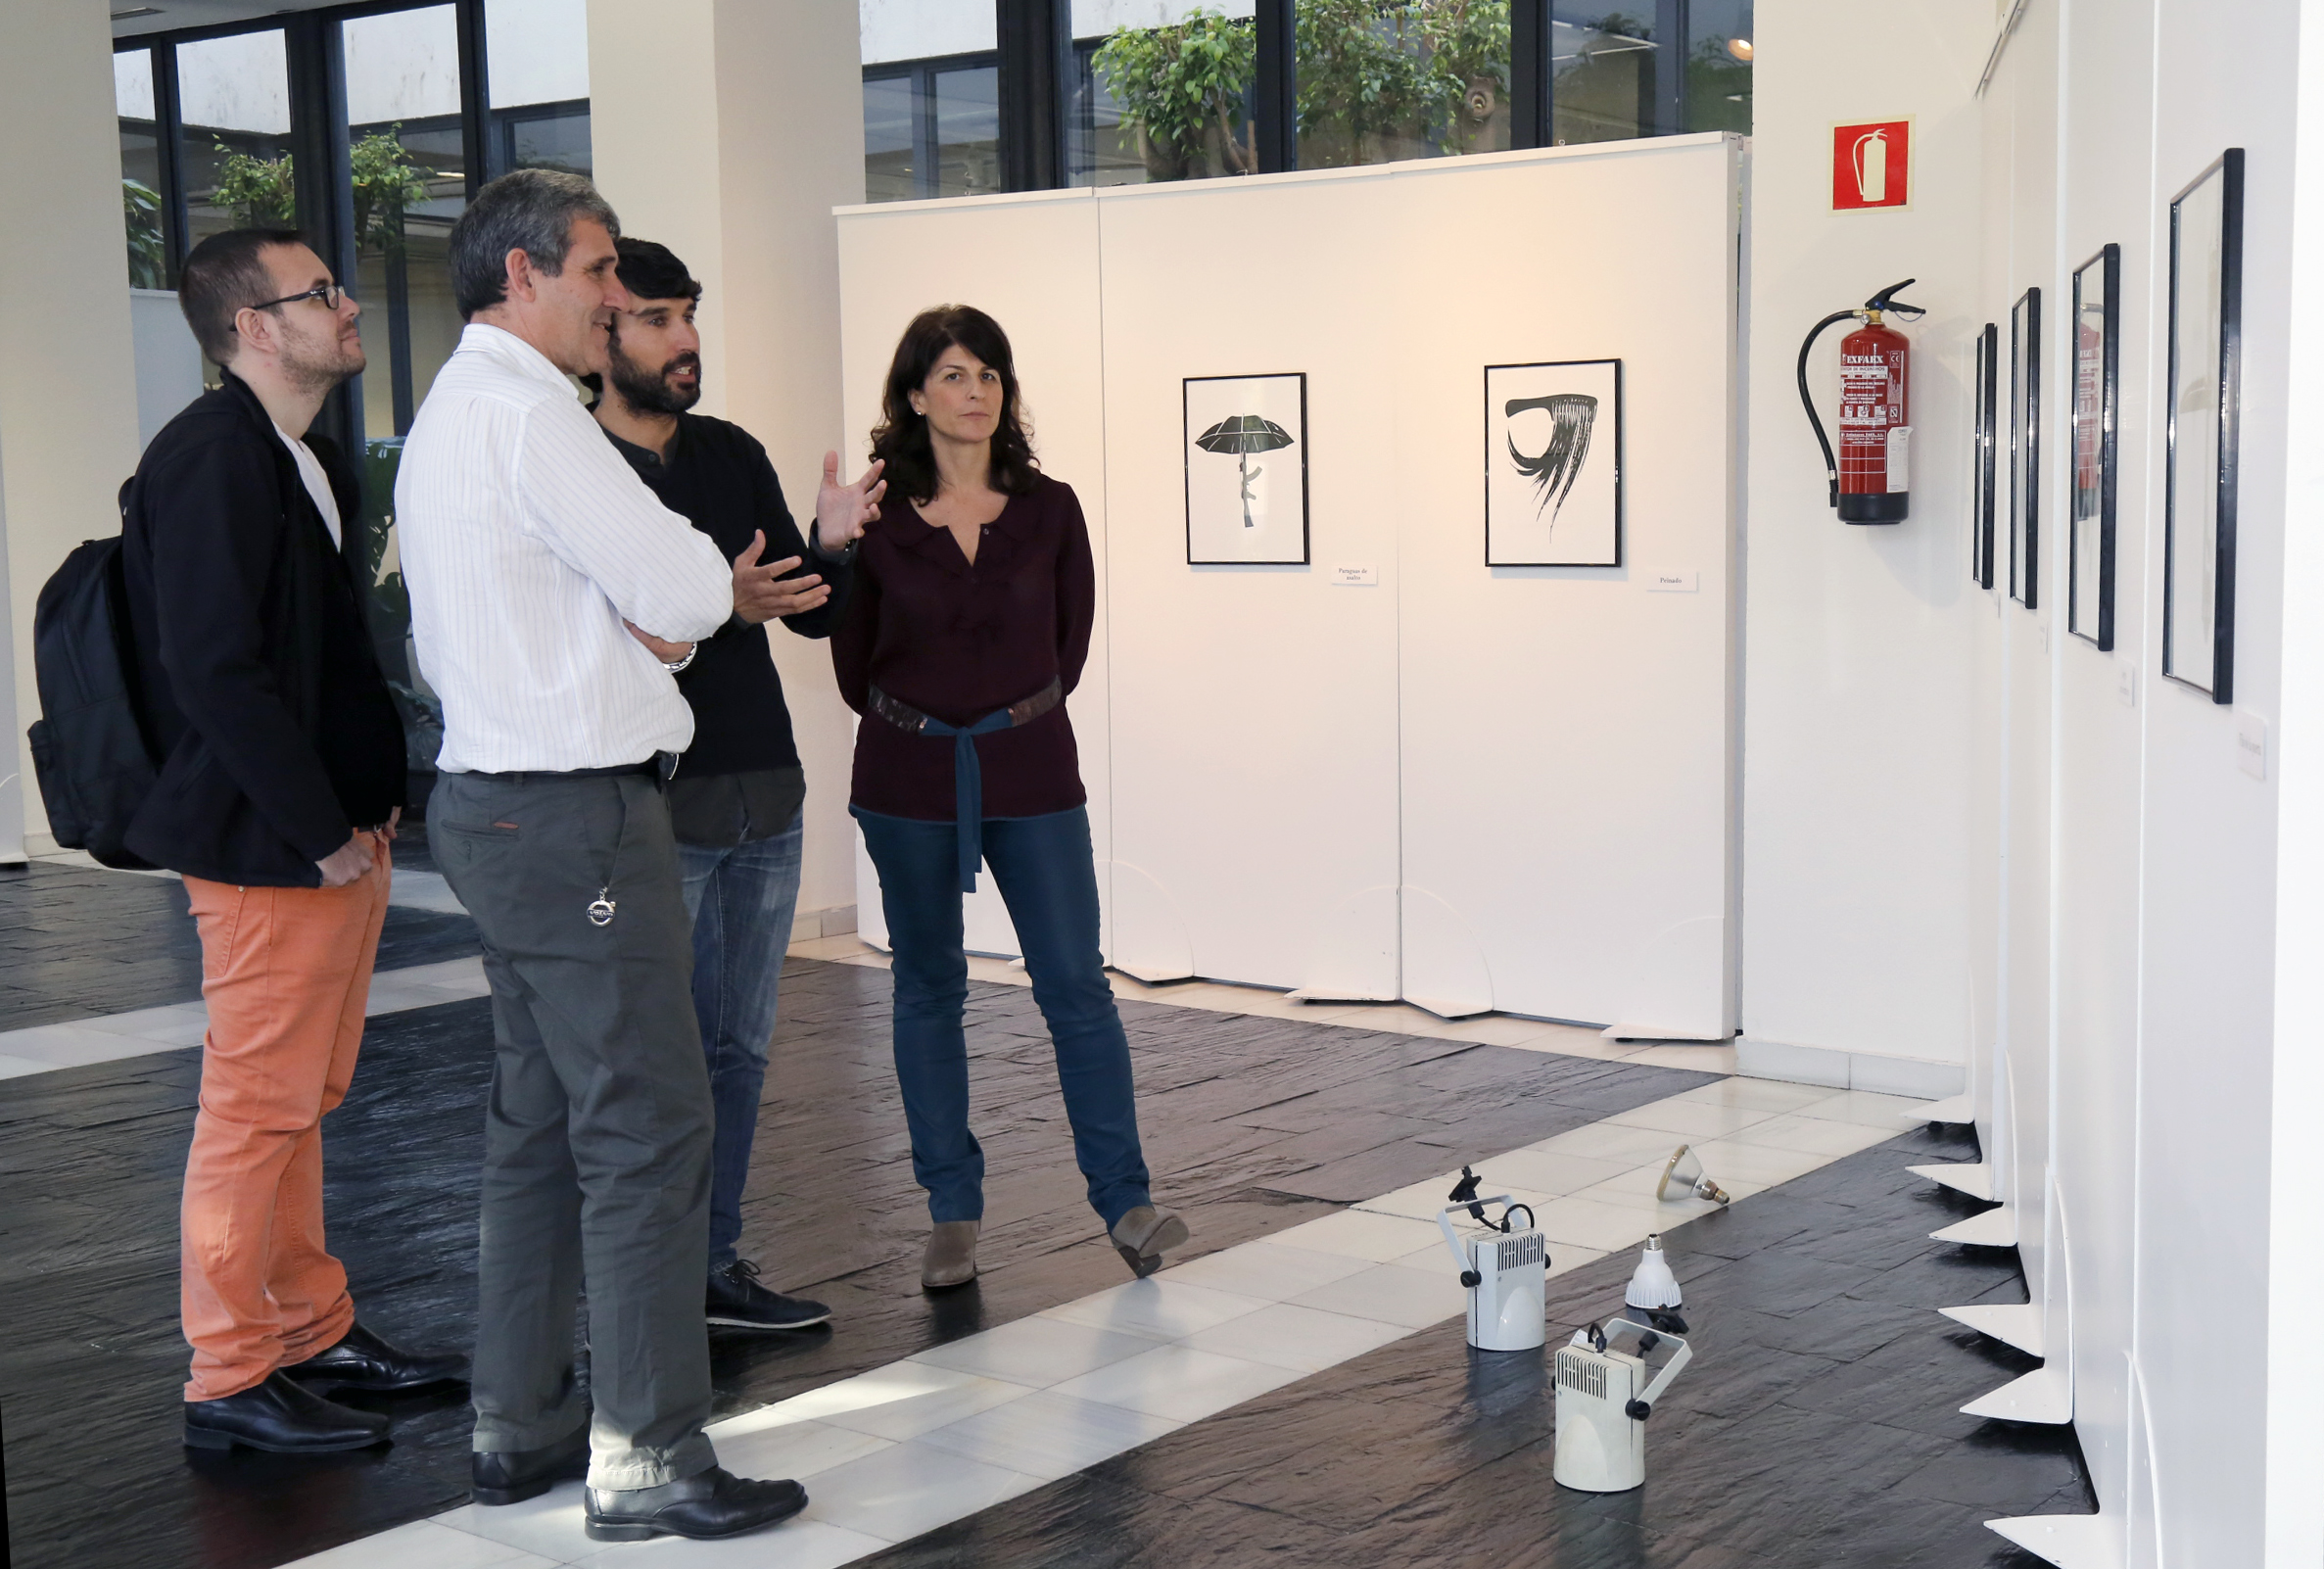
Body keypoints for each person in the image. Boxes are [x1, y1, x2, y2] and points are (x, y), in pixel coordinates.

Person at [396, 170, 823, 1545]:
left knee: (537, 1123)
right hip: (577, 815)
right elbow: (691, 587)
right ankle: (646, 1453)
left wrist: (653, 613)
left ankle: (518, 1425)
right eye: (596, 273)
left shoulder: (450, 413)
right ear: (522, 274)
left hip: (494, 806)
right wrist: (668, 611)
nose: (612, 299)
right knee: (646, 1123)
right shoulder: (537, 417)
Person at [119, 227, 466, 1455]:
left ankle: (308, 1330)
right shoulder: (212, 457)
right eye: (319, 292)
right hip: (277, 848)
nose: (348, 303)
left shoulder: (294, 452)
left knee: (300, 1101)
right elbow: (213, 669)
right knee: (254, 1111)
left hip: (335, 837)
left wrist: (359, 811)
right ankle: (229, 1376)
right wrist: (318, 830)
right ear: (254, 327)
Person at [833, 305, 1188, 1291]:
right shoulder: (873, 519)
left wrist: (1001, 715)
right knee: (927, 987)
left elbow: (1067, 647)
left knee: (1075, 984)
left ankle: (1126, 1202)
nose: (976, 391)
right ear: (914, 396)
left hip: (1030, 767)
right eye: (953, 374)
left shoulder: (1051, 508)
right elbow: (851, 666)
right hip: (907, 774)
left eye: (989, 373)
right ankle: (951, 1211)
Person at [587, 237, 882, 1332]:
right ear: (602, 331)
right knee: (655, 1057)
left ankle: (711, 1266)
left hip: (766, 794)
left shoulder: (728, 450)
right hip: (653, 801)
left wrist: (833, 548)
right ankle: (647, 1280)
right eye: (659, 319)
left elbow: (811, 612)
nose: (687, 340)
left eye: (690, 314)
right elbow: (592, 641)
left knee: (741, 1050)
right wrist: (725, 605)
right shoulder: (575, 466)